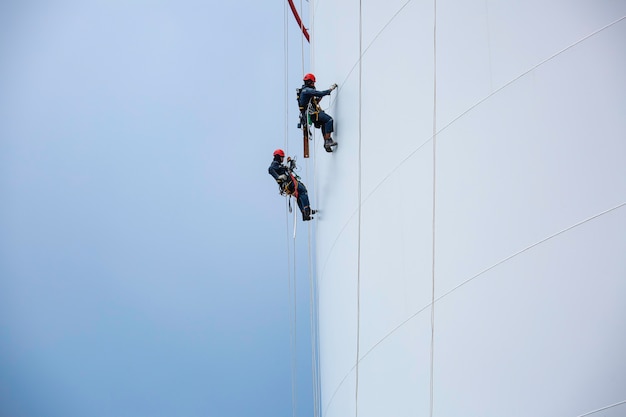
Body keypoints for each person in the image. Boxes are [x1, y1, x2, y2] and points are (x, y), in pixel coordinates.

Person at [268, 149, 315, 221]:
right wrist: (278, 177)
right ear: (278, 157)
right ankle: (307, 210)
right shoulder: (275, 164)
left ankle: (305, 214)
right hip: (289, 184)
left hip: (288, 184)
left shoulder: (279, 166)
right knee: (303, 190)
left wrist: (290, 163)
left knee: (299, 196)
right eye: (282, 157)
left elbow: (286, 170)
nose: (282, 159)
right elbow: (270, 169)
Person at [298, 73, 338, 152]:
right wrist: (329, 90)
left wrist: (319, 98)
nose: (314, 84)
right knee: (329, 120)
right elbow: (319, 93)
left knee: (324, 123)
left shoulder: (305, 91)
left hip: (312, 114)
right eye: (313, 82)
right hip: (313, 114)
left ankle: (326, 142)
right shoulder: (307, 90)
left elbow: (314, 101)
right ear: (309, 82)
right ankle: (328, 140)